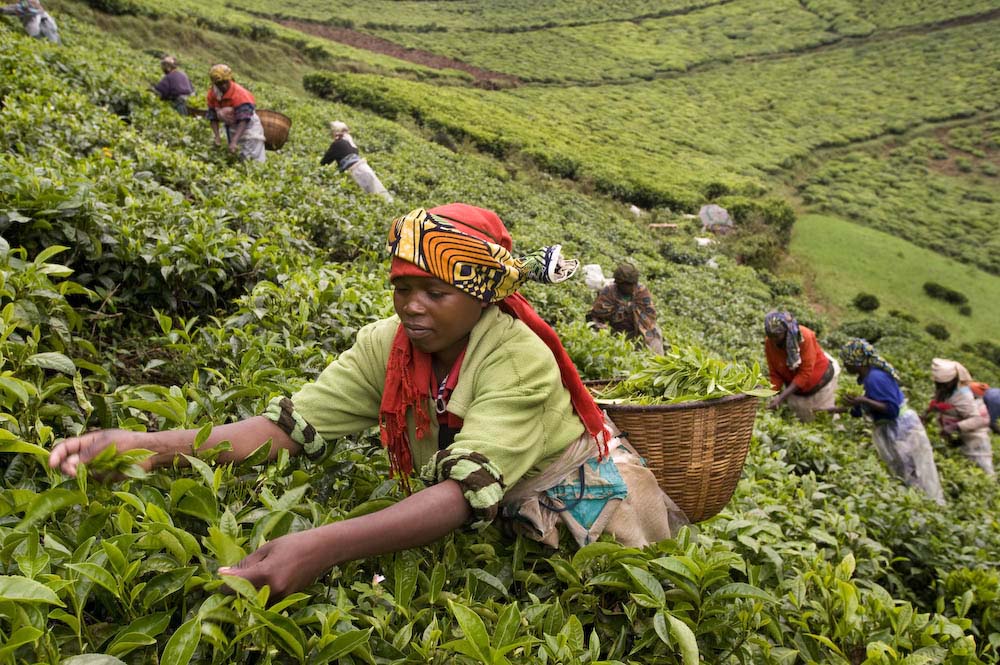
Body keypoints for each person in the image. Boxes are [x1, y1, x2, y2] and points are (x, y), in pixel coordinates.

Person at [49, 204, 685, 600]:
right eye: (402, 288)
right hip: (495, 499)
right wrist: (147, 446)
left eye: (434, 291)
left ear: (482, 294)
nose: (412, 305)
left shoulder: (517, 356)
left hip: (582, 505)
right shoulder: (392, 345)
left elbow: (462, 495)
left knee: (610, 605)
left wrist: (320, 546)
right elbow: (282, 429)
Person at [835, 339, 945, 504]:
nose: (845, 366)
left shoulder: (875, 378)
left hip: (901, 429)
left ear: (856, 362)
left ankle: (928, 504)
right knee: (903, 470)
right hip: (891, 429)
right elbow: (860, 410)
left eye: (847, 362)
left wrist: (863, 400)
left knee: (914, 469)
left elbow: (891, 410)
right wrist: (835, 409)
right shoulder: (866, 379)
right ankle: (917, 503)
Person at [763, 311, 839, 422]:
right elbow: (775, 373)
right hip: (797, 389)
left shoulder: (804, 337)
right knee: (802, 421)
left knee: (824, 419)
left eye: (777, 336)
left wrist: (781, 398)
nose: (773, 340)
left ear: (786, 331)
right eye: (770, 335)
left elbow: (805, 372)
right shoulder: (769, 343)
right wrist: (770, 394)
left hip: (821, 384)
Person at [925, 358, 995, 477]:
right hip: (957, 439)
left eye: (944, 384)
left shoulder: (963, 395)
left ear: (954, 381)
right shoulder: (944, 390)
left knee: (984, 473)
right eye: (938, 384)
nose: (941, 387)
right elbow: (938, 404)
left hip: (974, 440)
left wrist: (954, 427)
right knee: (962, 470)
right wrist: (926, 415)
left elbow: (978, 420)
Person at [586, 263, 664, 353]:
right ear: (619, 284)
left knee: (655, 338)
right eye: (628, 284)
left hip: (640, 331)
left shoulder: (641, 291)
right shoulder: (609, 292)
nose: (632, 287)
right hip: (616, 332)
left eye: (634, 284)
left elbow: (649, 314)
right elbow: (596, 313)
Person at [205, 64, 266, 163]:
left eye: (225, 82)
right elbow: (212, 117)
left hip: (249, 128)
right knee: (237, 157)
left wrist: (234, 141)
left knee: (251, 159)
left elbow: (244, 120)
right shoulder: (213, 94)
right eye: (219, 83)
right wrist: (217, 136)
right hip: (232, 127)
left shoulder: (240, 94)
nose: (223, 86)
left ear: (230, 79)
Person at [320, 121, 393, 203]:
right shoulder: (351, 144)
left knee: (365, 198)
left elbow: (324, 162)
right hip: (365, 168)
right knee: (379, 194)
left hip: (356, 172)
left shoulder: (337, 144)